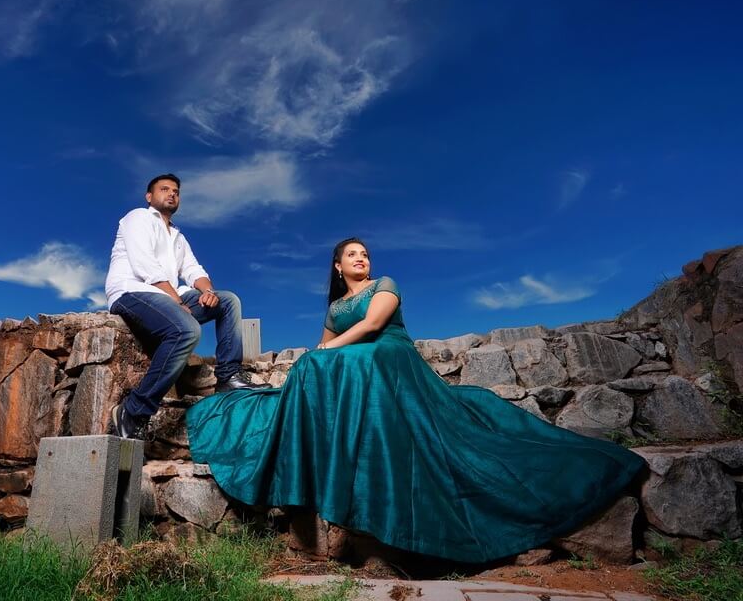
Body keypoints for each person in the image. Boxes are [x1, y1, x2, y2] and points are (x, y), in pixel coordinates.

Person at [185, 237, 645, 563]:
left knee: (347, 360)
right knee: (311, 368)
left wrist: (325, 350)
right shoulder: (334, 307)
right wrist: (318, 354)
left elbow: (370, 327)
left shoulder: (384, 284)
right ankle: (317, 458)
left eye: (365, 254)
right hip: (354, 357)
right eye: (352, 255)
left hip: (388, 352)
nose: (362, 259)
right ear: (338, 267)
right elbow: (325, 343)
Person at [105, 173, 270, 440]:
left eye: (176, 191)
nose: (172, 194)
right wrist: (178, 301)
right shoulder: (137, 217)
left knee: (228, 300)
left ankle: (228, 376)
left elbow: (194, 270)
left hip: (168, 297)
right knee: (187, 330)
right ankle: (133, 411)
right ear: (149, 196)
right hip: (132, 291)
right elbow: (144, 265)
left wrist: (207, 292)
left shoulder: (178, 237)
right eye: (164, 189)